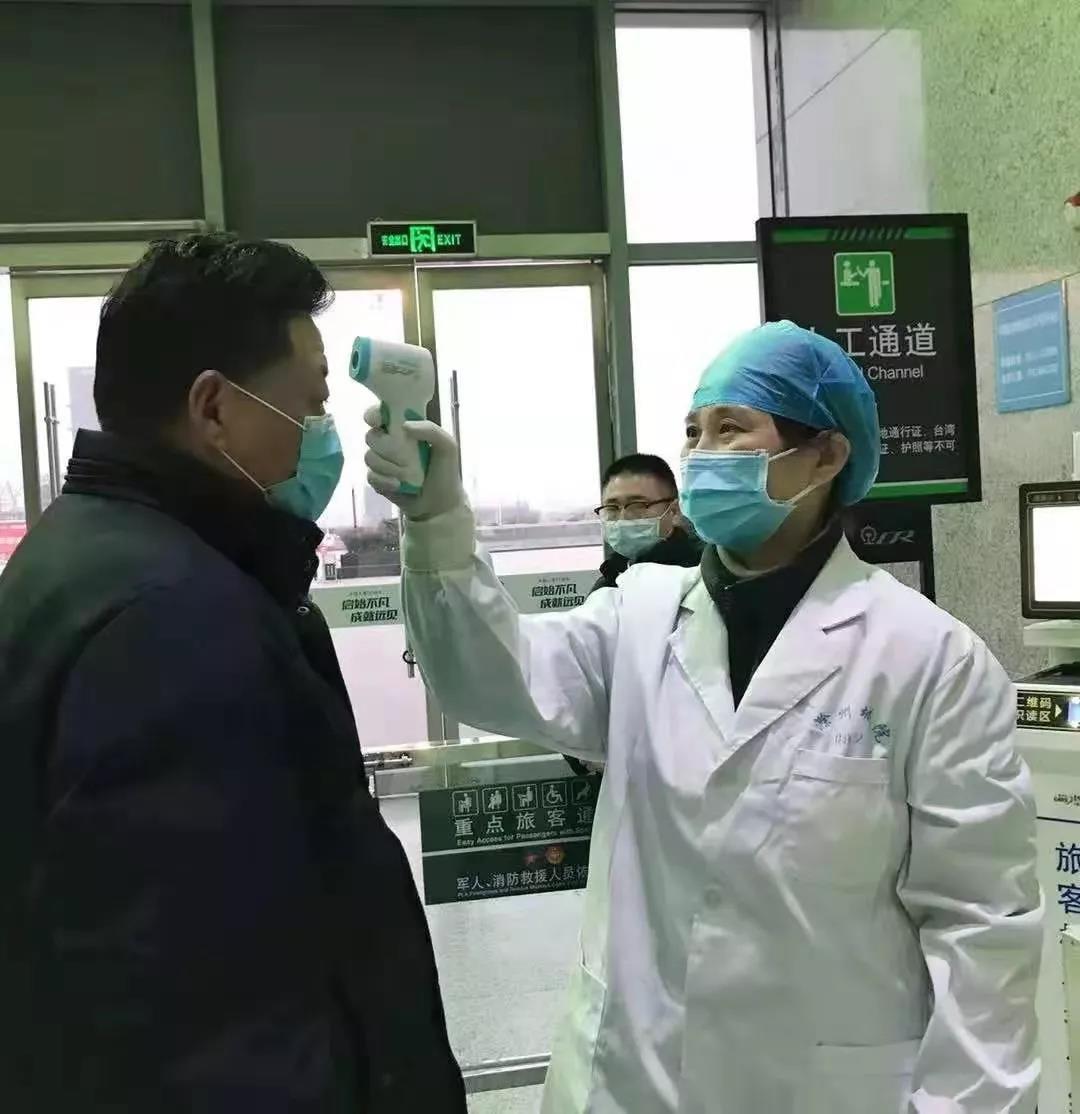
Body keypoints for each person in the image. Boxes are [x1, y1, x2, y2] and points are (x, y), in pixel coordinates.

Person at [368, 321, 1042, 1114]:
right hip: (632, 1079)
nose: (701, 454)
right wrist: (436, 523)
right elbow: (489, 681)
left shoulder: (930, 659)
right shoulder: (637, 615)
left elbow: (980, 926)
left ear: (826, 456)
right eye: (693, 432)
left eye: (731, 429)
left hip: (819, 1090)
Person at [0, 234, 465, 1114]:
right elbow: (217, 1025)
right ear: (214, 408)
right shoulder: (174, 623)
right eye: (312, 404)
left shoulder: (84, 555)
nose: (323, 434)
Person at [592, 452, 702, 593]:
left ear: (673, 511)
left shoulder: (701, 576)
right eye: (612, 507)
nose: (622, 517)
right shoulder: (609, 579)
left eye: (637, 505)